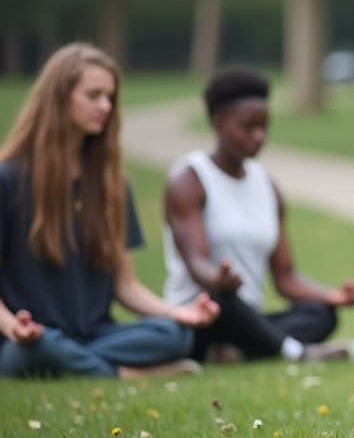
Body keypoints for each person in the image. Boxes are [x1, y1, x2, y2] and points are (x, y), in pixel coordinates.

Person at [0, 43, 218, 378]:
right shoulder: (8, 179)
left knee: (176, 334)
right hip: (26, 339)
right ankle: (126, 374)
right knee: (34, 349)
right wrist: (15, 328)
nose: (105, 106)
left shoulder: (112, 183)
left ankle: (73, 362)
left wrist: (177, 312)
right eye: (94, 94)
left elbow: (124, 285)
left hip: (96, 334)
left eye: (110, 97)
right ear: (58, 97)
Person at [163, 68, 354, 363]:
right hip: (202, 314)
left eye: (265, 127)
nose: (259, 137)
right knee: (224, 300)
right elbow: (196, 263)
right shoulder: (189, 180)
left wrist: (330, 296)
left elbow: (286, 278)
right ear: (218, 124)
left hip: (249, 318)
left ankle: (240, 352)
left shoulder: (268, 187)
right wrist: (219, 278)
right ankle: (297, 352)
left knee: (320, 314)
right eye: (248, 127)